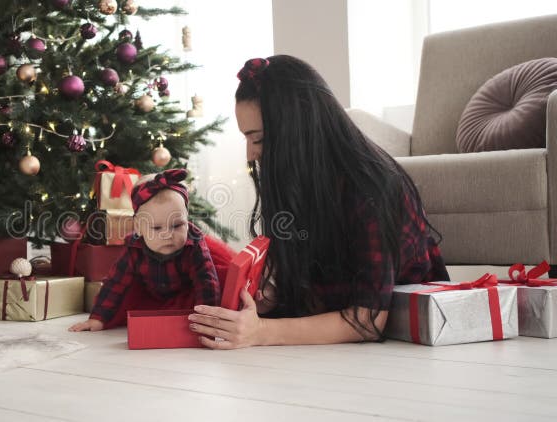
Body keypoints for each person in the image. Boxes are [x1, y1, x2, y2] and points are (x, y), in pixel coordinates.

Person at [187, 55, 450, 349]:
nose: (250, 154)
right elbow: (313, 289)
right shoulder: (295, 181)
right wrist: (272, 296)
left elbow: (368, 321)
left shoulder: (372, 189)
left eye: (258, 139)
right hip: (336, 332)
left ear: (296, 130)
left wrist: (261, 332)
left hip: (404, 341)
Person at [69, 169, 226, 332]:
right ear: (138, 227)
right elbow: (115, 284)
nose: (167, 234)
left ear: (187, 218)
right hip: (151, 293)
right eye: (157, 228)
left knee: (218, 288)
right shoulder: (134, 249)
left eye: (178, 225)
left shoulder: (194, 245)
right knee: (131, 303)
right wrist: (98, 318)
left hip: (188, 293)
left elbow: (206, 283)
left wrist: (207, 321)